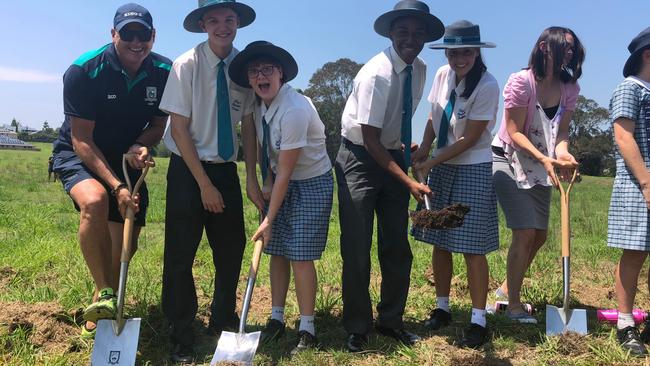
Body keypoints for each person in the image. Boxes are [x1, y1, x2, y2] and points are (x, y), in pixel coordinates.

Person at [50, 3, 171, 338]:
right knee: (95, 200)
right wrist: (118, 185)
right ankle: (104, 292)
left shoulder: (164, 71)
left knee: (125, 244)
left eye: (143, 34)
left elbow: (158, 125)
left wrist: (141, 145)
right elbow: (82, 140)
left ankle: (107, 296)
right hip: (80, 152)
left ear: (153, 36)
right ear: (113, 34)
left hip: (126, 157)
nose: (136, 42)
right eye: (128, 34)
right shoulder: (84, 70)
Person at [335, 0, 443, 353]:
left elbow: (400, 116)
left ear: (426, 36)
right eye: (402, 31)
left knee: (397, 245)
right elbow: (368, 138)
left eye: (417, 32)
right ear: (391, 33)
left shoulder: (421, 67)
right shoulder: (375, 73)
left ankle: (391, 322)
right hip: (360, 159)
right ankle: (357, 326)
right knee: (357, 247)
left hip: (391, 153)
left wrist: (402, 143)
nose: (410, 38)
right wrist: (409, 180)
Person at [158, 0, 260, 363]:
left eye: (229, 19)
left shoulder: (243, 67)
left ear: (237, 23)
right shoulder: (186, 65)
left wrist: (250, 177)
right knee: (180, 254)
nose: (223, 26)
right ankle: (181, 330)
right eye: (214, 20)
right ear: (203, 24)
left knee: (231, 249)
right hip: (189, 170)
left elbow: (247, 123)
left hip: (225, 170)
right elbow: (179, 130)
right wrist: (203, 185)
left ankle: (223, 318)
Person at [229, 41, 334, 354]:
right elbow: (270, 156)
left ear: (282, 74)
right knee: (276, 251)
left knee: (300, 253)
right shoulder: (260, 104)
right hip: (281, 180)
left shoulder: (295, 110)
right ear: (249, 79)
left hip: (311, 182)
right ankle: (276, 319)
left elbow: (288, 171)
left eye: (267, 69)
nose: (261, 76)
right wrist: (266, 180)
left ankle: (307, 327)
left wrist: (269, 219)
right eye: (254, 71)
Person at [411, 20, 498, 348]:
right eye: (453, 52)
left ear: (476, 52)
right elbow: (434, 118)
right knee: (441, 240)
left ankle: (478, 318)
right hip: (442, 167)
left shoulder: (487, 85)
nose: (459, 58)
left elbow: (471, 137)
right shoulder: (442, 75)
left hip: (472, 167)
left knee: (473, 247)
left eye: (465, 51)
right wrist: (423, 149)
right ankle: (442, 307)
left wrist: (431, 162)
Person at [491, 26, 584, 323]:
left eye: (572, 49)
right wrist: (546, 158)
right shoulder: (521, 82)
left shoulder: (569, 88)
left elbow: (562, 132)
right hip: (509, 159)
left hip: (542, 162)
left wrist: (563, 154)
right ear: (544, 47)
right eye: (564, 47)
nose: (569, 52)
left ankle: (505, 289)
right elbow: (515, 131)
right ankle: (514, 307)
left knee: (540, 235)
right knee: (525, 232)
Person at [607, 27, 650, 356]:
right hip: (639, 183)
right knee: (634, 253)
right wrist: (647, 182)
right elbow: (624, 137)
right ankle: (625, 323)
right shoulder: (630, 89)